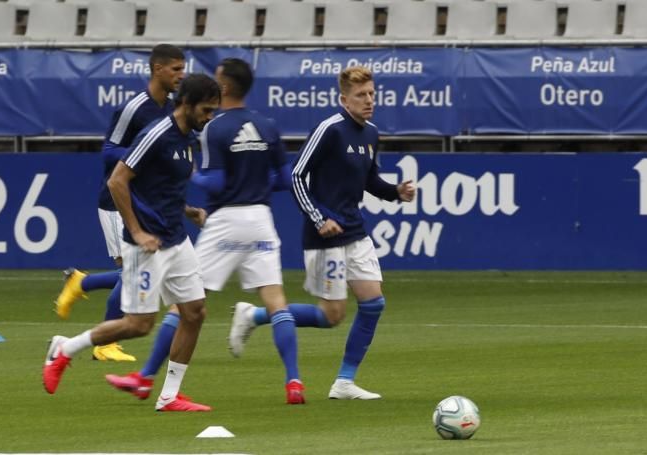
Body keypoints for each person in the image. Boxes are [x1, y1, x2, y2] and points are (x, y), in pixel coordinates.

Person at [105, 58, 308, 405]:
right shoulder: (268, 125)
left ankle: (146, 377)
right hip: (261, 217)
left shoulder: (213, 128)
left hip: (226, 220)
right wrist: (257, 182)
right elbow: (286, 178)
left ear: (224, 88)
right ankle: (294, 382)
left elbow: (216, 182)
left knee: (184, 307)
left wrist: (193, 176)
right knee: (276, 300)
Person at [229, 65, 416, 400]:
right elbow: (297, 176)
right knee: (332, 316)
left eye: (372, 93)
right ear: (343, 98)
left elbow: (370, 181)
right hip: (325, 235)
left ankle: (344, 382)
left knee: (373, 303)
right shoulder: (329, 129)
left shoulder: (371, 133)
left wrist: (395, 192)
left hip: (355, 231)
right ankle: (256, 314)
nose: (369, 100)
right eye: (361, 95)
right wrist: (318, 219)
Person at [43, 73, 221, 412]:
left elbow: (160, 188)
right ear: (187, 104)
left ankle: (169, 396)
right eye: (206, 110)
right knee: (138, 325)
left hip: (175, 240)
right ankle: (65, 349)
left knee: (194, 312)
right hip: (145, 244)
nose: (209, 117)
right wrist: (137, 232)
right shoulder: (155, 135)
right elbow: (117, 181)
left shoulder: (188, 138)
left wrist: (188, 212)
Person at [53, 44, 187, 363]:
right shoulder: (135, 108)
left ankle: (82, 281)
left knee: (140, 270)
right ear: (158, 70)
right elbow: (109, 151)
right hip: (118, 198)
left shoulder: (171, 109)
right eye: (176, 69)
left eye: (183, 69)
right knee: (131, 270)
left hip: (149, 200)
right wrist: (140, 156)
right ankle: (104, 342)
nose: (181, 75)